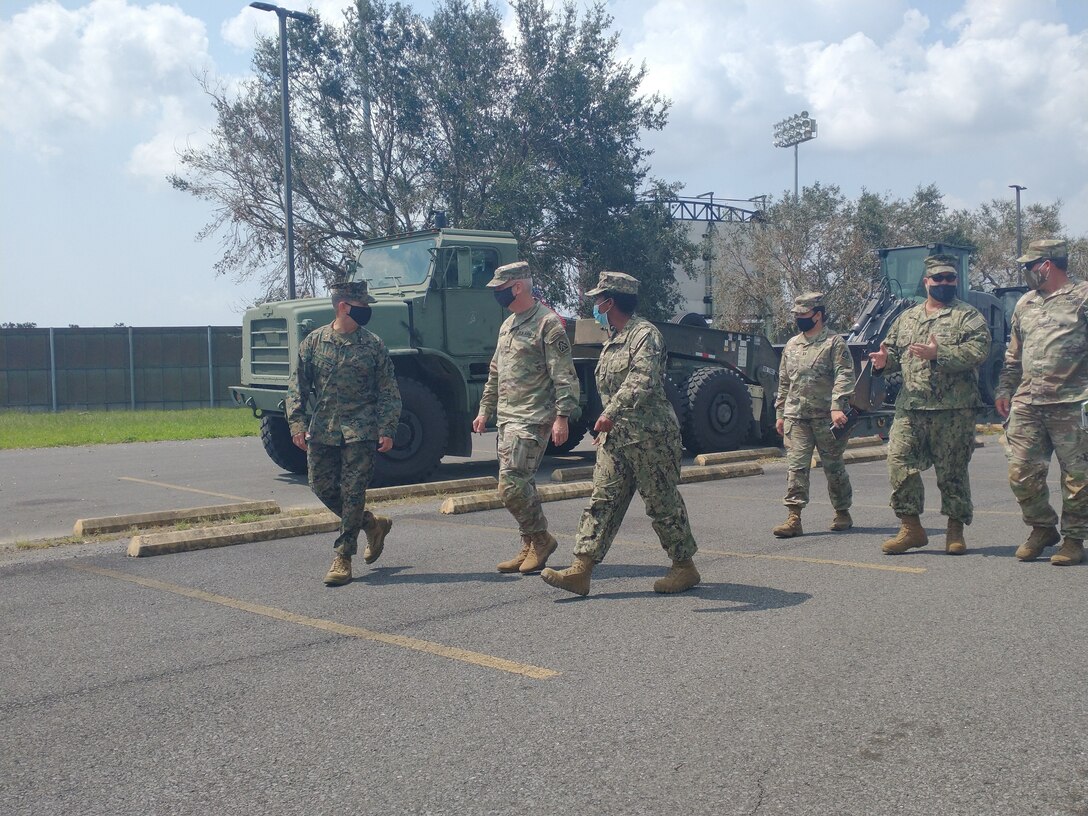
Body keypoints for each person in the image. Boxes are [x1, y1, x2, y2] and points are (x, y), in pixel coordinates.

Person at [542, 271, 700, 596]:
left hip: (651, 438)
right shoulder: (612, 339)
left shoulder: (645, 335)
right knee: (602, 501)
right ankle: (581, 570)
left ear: (610, 301)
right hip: (617, 440)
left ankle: (684, 567)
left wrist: (609, 415)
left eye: (599, 299)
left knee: (662, 504)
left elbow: (641, 380)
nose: (595, 305)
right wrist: (606, 428)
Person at [868, 254, 990, 555]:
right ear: (927, 282)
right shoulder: (907, 318)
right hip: (911, 407)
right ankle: (911, 528)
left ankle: (954, 530)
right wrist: (884, 363)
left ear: (956, 281)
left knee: (953, 472)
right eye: (939, 279)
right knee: (899, 462)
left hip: (953, 409)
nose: (945, 284)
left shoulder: (968, 315)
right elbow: (894, 352)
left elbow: (979, 351)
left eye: (950, 279)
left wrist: (940, 353)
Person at [285, 279, 401, 586]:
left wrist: (387, 427)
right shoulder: (313, 342)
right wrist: (296, 423)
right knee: (320, 486)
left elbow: (389, 390)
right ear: (343, 307)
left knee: (352, 493)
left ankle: (343, 557)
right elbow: (297, 387)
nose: (367, 311)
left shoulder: (373, 345)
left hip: (361, 431)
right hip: (323, 429)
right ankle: (372, 524)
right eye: (362, 306)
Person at [472, 260, 580, 574]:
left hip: (533, 417)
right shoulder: (507, 325)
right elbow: (496, 372)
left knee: (510, 486)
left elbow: (564, 374)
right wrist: (484, 411)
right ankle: (530, 543)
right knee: (522, 484)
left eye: (500, 289)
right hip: (508, 418)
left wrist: (562, 417)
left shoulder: (548, 324)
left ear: (517, 287)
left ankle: (542, 538)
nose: (497, 295)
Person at [996, 239, 1088, 566]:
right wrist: (1005, 389)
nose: (1026, 273)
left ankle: (1074, 540)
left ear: (1046, 265)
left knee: (1078, 476)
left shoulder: (1083, 297)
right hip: (1029, 402)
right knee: (1020, 471)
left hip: (1073, 402)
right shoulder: (1025, 303)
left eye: (1029, 267)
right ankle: (1042, 527)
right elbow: (1013, 354)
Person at [772, 292, 855, 538]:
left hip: (827, 418)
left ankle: (842, 511)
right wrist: (780, 413)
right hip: (797, 416)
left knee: (833, 467)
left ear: (817, 315)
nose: (798, 319)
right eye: (796, 315)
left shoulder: (834, 343)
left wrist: (838, 405)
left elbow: (844, 375)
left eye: (803, 314)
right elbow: (784, 381)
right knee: (796, 467)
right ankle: (793, 517)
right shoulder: (792, 344)